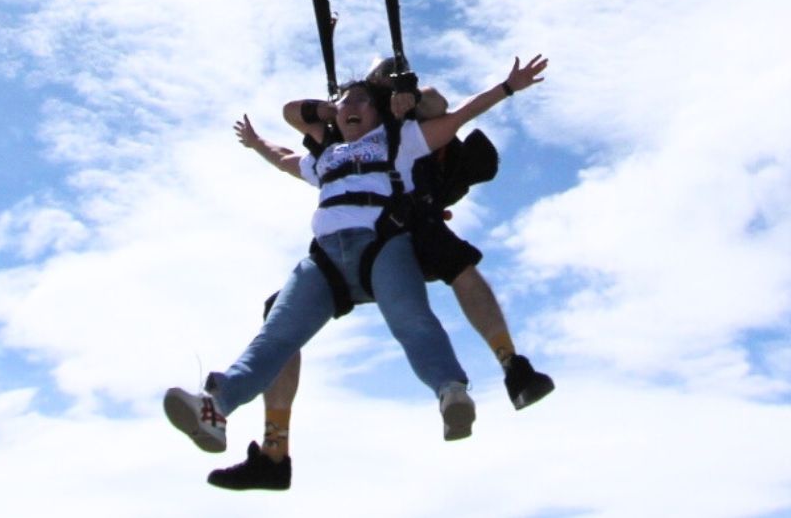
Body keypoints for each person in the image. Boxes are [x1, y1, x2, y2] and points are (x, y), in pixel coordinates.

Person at [163, 58, 545, 464]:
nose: (350, 106)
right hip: (325, 260)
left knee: (411, 320)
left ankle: (451, 390)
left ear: (378, 110)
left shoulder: (400, 140)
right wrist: (258, 143)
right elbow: (285, 157)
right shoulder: (326, 156)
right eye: (344, 102)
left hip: (381, 244)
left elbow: (459, 115)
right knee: (275, 336)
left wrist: (506, 87)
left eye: (361, 100)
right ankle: (216, 407)